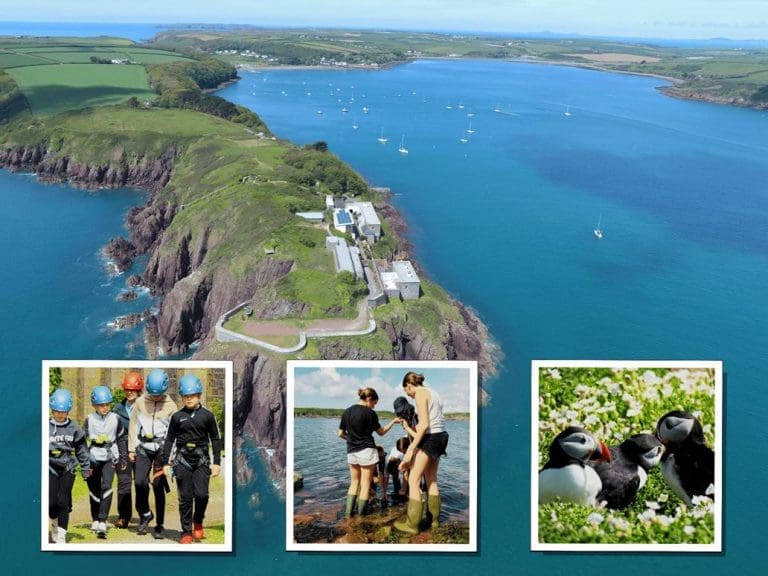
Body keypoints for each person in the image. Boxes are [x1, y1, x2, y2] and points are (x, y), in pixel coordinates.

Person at [161, 373, 222, 544]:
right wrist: (166, 462)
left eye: (192, 396)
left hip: (202, 460)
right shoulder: (177, 417)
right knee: (186, 497)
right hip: (182, 461)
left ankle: (198, 521)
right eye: (185, 396)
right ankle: (186, 531)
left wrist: (217, 462)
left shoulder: (208, 416)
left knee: (202, 495)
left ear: (199, 395)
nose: (188, 399)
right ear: (182, 397)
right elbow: (169, 440)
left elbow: (215, 439)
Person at [394, 371, 449, 534]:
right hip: (442, 436)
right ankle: (434, 522)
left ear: (409, 385)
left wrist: (410, 450)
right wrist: (410, 429)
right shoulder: (434, 393)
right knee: (431, 480)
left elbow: (424, 425)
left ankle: (412, 525)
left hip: (430, 438)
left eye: (407, 391)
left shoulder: (419, 393)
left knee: (413, 480)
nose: (409, 395)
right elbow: (431, 421)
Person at [128, 368, 177, 539]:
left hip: (161, 452)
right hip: (143, 448)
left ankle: (160, 525)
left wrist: (170, 459)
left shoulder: (172, 406)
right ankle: (145, 514)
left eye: (159, 395)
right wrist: (131, 448)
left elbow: (174, 434)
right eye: (153, 394)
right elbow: (133, 425)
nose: (155, 397)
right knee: (140, 483)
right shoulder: (140, 403)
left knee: (158, 486)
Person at [338, 387, 399, 517]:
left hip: (351, 451)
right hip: (367, 451)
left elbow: (340, 434)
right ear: (369, 399)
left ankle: (348, 516)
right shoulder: (370, 413)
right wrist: (393, 421)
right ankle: (361, 518)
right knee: (365, 485)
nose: (374, 406)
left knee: (354, 483)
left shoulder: (346, 412)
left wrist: (352, 439)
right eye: (374, 403)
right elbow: (381, 432)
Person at [84, 385, 127, 539]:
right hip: (94, 457)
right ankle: (95, 519)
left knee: (107, 486)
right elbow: (82, 441)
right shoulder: (89, 419)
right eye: (101, 405)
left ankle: (103, 521)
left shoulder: (116, 419)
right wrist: (84, 461)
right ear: (95, 405)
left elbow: (122, 439)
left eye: (107, 404)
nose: (105, 407)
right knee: (94, 488)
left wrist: (123, 457)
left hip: (110, 456)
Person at [48, 388, 90, 544]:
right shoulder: (44, 427)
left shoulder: (74, 428)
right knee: (51, 503)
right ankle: (54, 521)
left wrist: (85, 469)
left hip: (68, 467)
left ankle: (61, 534)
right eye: (57, 411)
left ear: (68, 410)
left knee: (63, 500)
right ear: (52, 409)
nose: (60, 414)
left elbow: (82, 450)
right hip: (50, 467)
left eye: (63, 411)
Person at [112, 371, 143, 528]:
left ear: (139, 390)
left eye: (132, 389)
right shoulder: (118, 409)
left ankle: (143, 514)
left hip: (141, 446)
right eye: (127, 389)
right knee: (123, 482)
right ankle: (124, 516)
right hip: (123, 447)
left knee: (140, 483)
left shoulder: (146, 407)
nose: (129, 392)